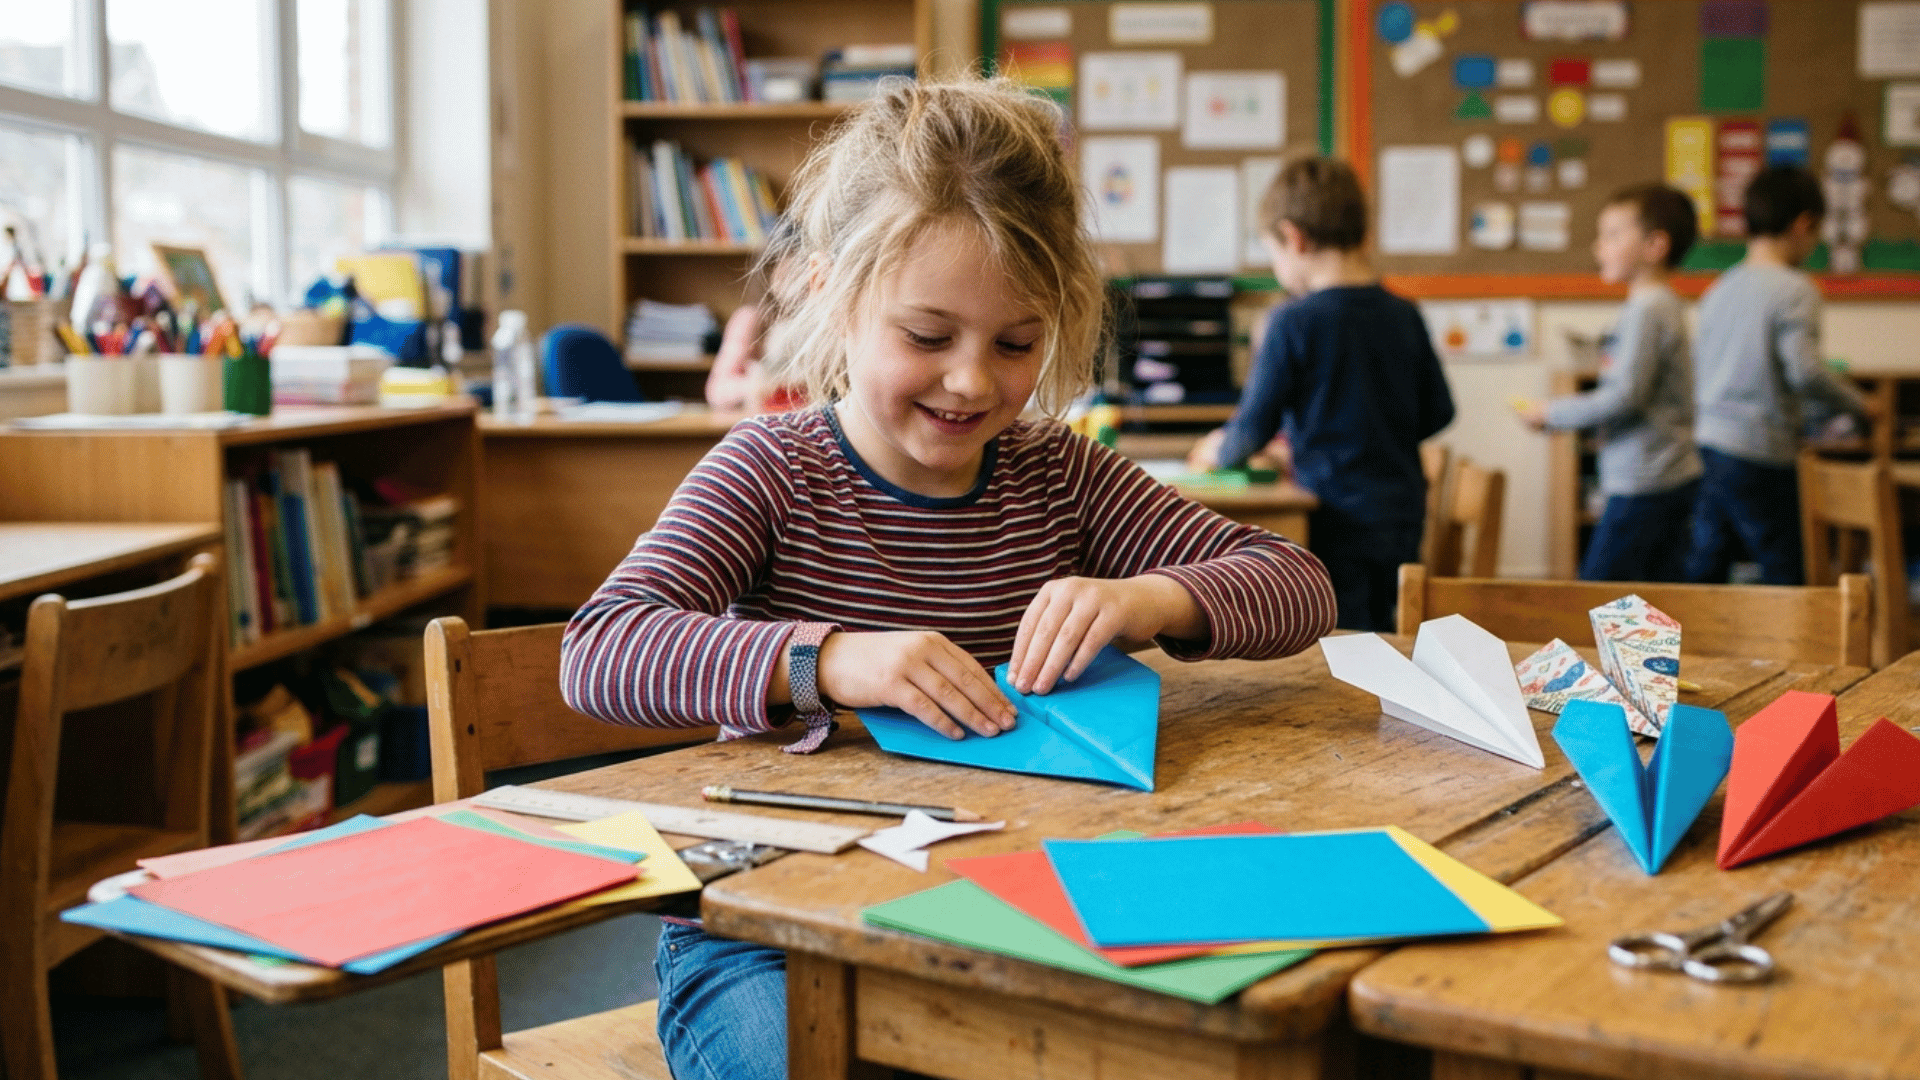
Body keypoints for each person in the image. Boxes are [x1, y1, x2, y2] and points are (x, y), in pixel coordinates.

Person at [559, 76, 1337, 1080]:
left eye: (1016, 343)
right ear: (834, 294)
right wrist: (830, 662)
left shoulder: (1057, 473)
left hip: (1009, 910)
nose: (972, 381)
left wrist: (1147, 599)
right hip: (768, 931)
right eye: (928, 337)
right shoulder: (772, 469)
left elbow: (1296, 582)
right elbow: (603, 646)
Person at [1188, 157, 1454, 631]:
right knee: (1390, 629)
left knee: (1346, 638)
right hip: (1401, 512)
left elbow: (1250, 430)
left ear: (1294, 239)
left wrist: (1217, 449)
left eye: (1273, 252)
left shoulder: (1293, 321)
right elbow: (1439, 412)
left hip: (1332, 519)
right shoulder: (1404, 313)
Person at [1687, 164, 1870, 585]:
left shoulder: (1720, 287)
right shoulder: (1795, 289)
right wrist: (1861, 403)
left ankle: (1685, 647)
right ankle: (1799, 650)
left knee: (1706, 563)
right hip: (1759, 448)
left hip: (1709, 440)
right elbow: (1805, 372)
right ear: (1804, 225)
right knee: (1788, 566)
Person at [1514, 183, 1701, 582]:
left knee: (1594, 597)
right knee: (1656, 600)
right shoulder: (1653, 305)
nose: (1600, 247)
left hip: (1647, 482)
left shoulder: (1648, 310)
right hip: (1659, 476)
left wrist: (1553, 413)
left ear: (1655, 246)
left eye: (1613, 235)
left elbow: (1624, 395)